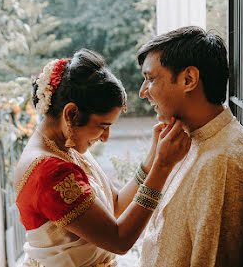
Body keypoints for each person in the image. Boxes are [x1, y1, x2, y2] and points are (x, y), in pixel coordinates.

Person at [14, 49, 191, 267]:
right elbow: (118, 240)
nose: (105, 138)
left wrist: (152, 158)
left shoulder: (65, 148)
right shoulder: (50, 172)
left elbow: (115, 205)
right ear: (71, 114)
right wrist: (162, 167)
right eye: (102, 127)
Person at [135, 26, 243, 267]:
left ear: (188, 79)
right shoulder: (186, 138)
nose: (142, 93)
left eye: (150, 79)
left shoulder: (221, 162)